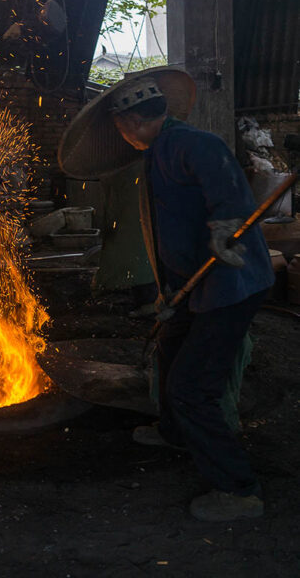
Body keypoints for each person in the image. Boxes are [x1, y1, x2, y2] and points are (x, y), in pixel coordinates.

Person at [58, 67, 274, 523]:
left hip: (230, 287)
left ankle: (238, 490)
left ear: (128, 124)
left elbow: (226, 188)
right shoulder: (159, 150)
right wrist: (171, 293)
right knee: (169, 346)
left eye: (119, 130)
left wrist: (224, 226)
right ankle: (176, 433)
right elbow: (173, 230)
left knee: (192, 388)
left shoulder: (193, 144)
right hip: (195, 284)